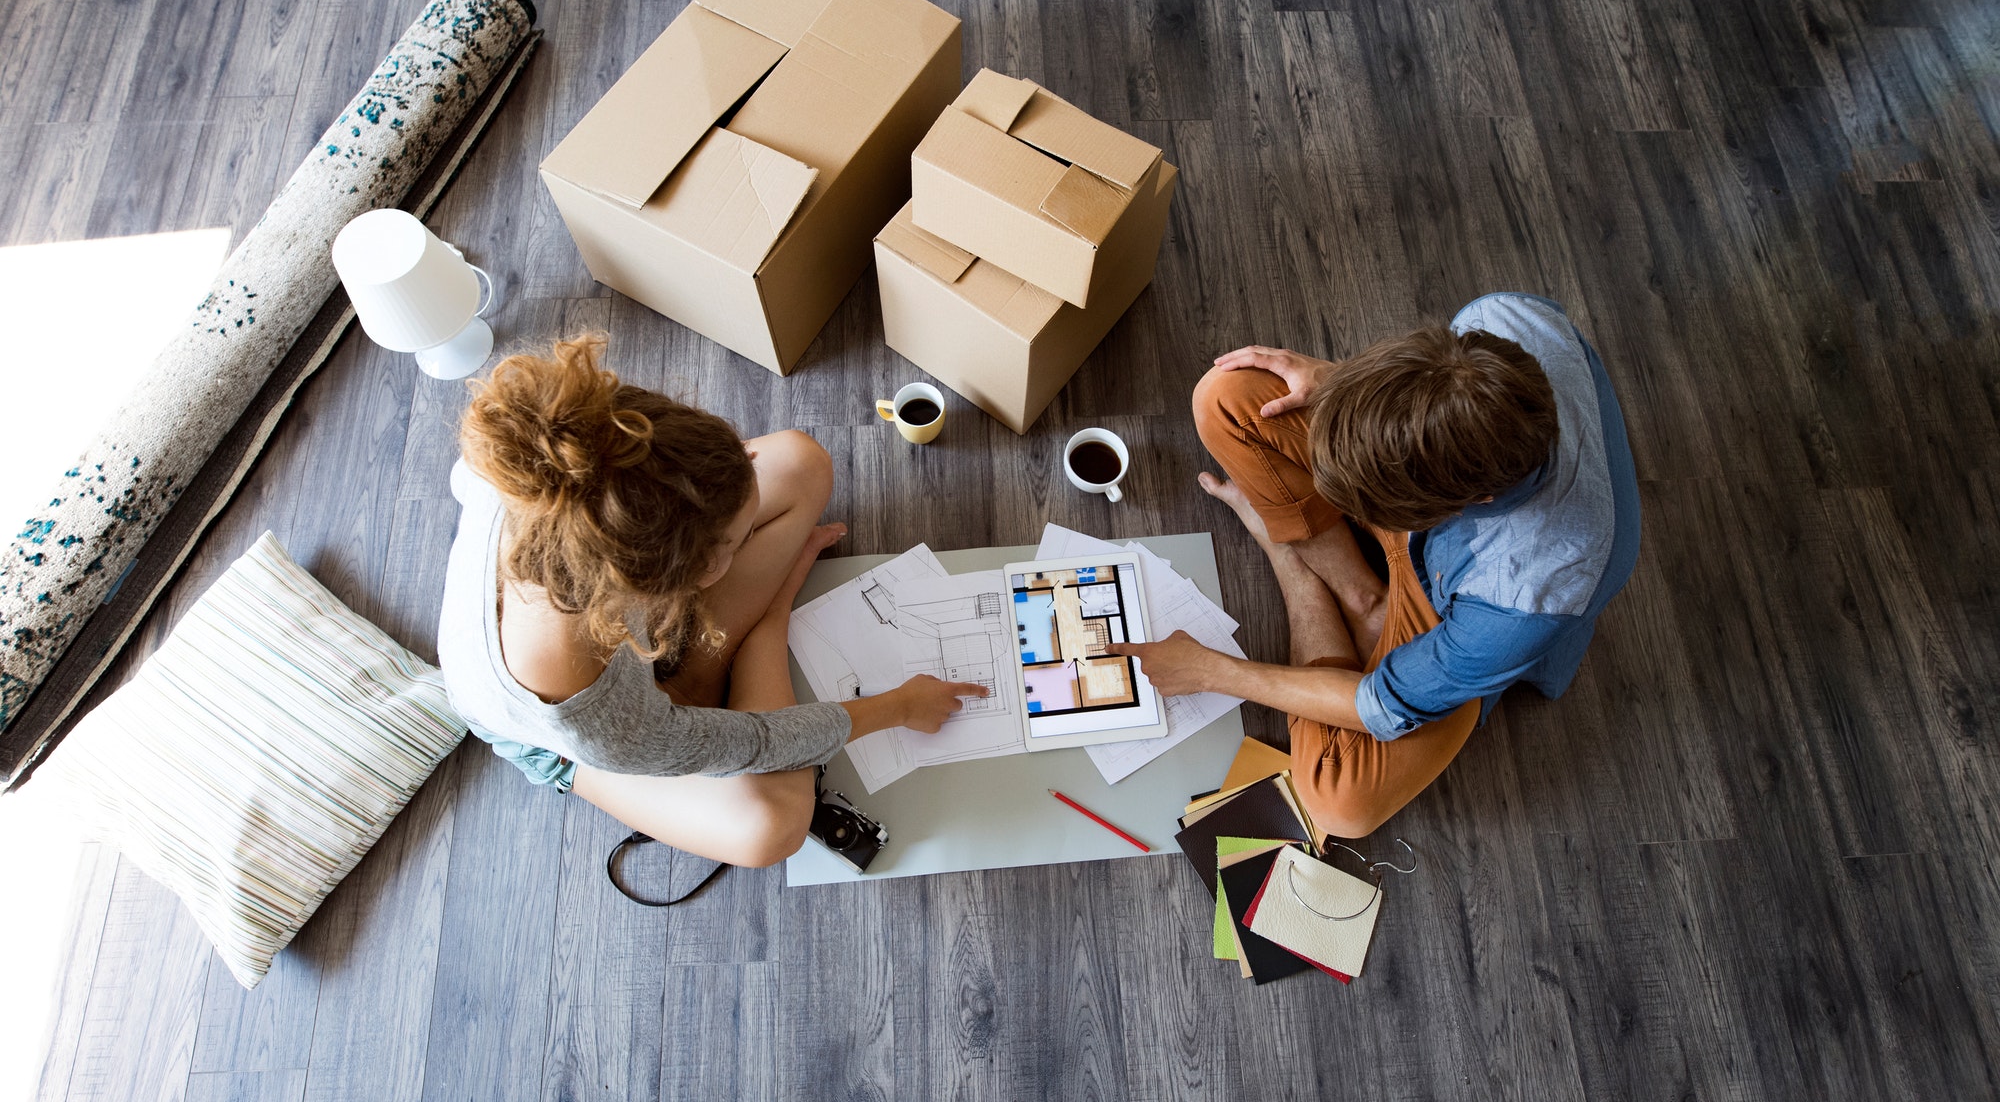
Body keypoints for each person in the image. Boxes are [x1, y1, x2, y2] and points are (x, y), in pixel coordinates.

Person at [436, 335, 984, 868]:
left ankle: (751, 624)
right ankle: (767, 627)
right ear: (675, 584)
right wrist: (899, 705)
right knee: (773, 827)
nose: (751, 539)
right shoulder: (600, 719)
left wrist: (742, 538)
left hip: (618, 631)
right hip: (573, 736)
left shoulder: (552, 450)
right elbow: (757, 741)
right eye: (738, 540)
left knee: (801, 461)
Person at [1110, 293, 1640, 841]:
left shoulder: (1524, 599)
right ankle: (1364, 596)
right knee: (1230, 394)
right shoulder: (1499, 318)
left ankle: (1290, 562)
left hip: (1458, 612)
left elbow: (1379, 704)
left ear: (1465, 503)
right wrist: (1336, 383)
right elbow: (1428, 392)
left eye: (1371, 503)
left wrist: (1214, 671)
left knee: (1340, 803)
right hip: (1449, 516)